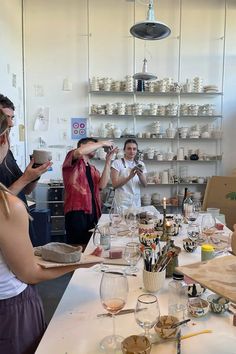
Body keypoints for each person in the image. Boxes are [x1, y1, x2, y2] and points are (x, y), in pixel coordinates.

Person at [0, 113, 81, 354]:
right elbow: (30, 273)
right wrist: (84, 262)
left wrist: (31, 178)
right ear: (3, 138)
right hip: (10, 306)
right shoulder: (7, 207)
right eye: (10, 130)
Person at [0, 94, 51, 242]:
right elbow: (2, 203)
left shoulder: (7, 151)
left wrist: (36, 173)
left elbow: (26, 190)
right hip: (7, 232)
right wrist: (25, 178)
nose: (11, 123)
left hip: (22, 224)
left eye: (12, 117)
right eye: (5, 117)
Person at [62, 137, 117, 246]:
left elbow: (102, 185)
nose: (96, 148)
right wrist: (102, 143)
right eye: (92, 145)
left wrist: (108, 162)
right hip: (77, 212)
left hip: (93, 211)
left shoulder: (92, 169)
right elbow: (80, 152)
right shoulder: (72, 159)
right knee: (77, 247)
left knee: (91, 245)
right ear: (82, 146)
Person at [111, 138, 147, 210]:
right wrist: (129, 177)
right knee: (121, 221)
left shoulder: (140, 164)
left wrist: (140, 175)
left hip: (135, 201)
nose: (132, 151)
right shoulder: (117, 163)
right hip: (122, 202)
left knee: (135, 220)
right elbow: (114, 185)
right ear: (124, 150)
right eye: (129, 148)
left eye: (134, 149)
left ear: (137, 151)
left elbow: (145, 185)